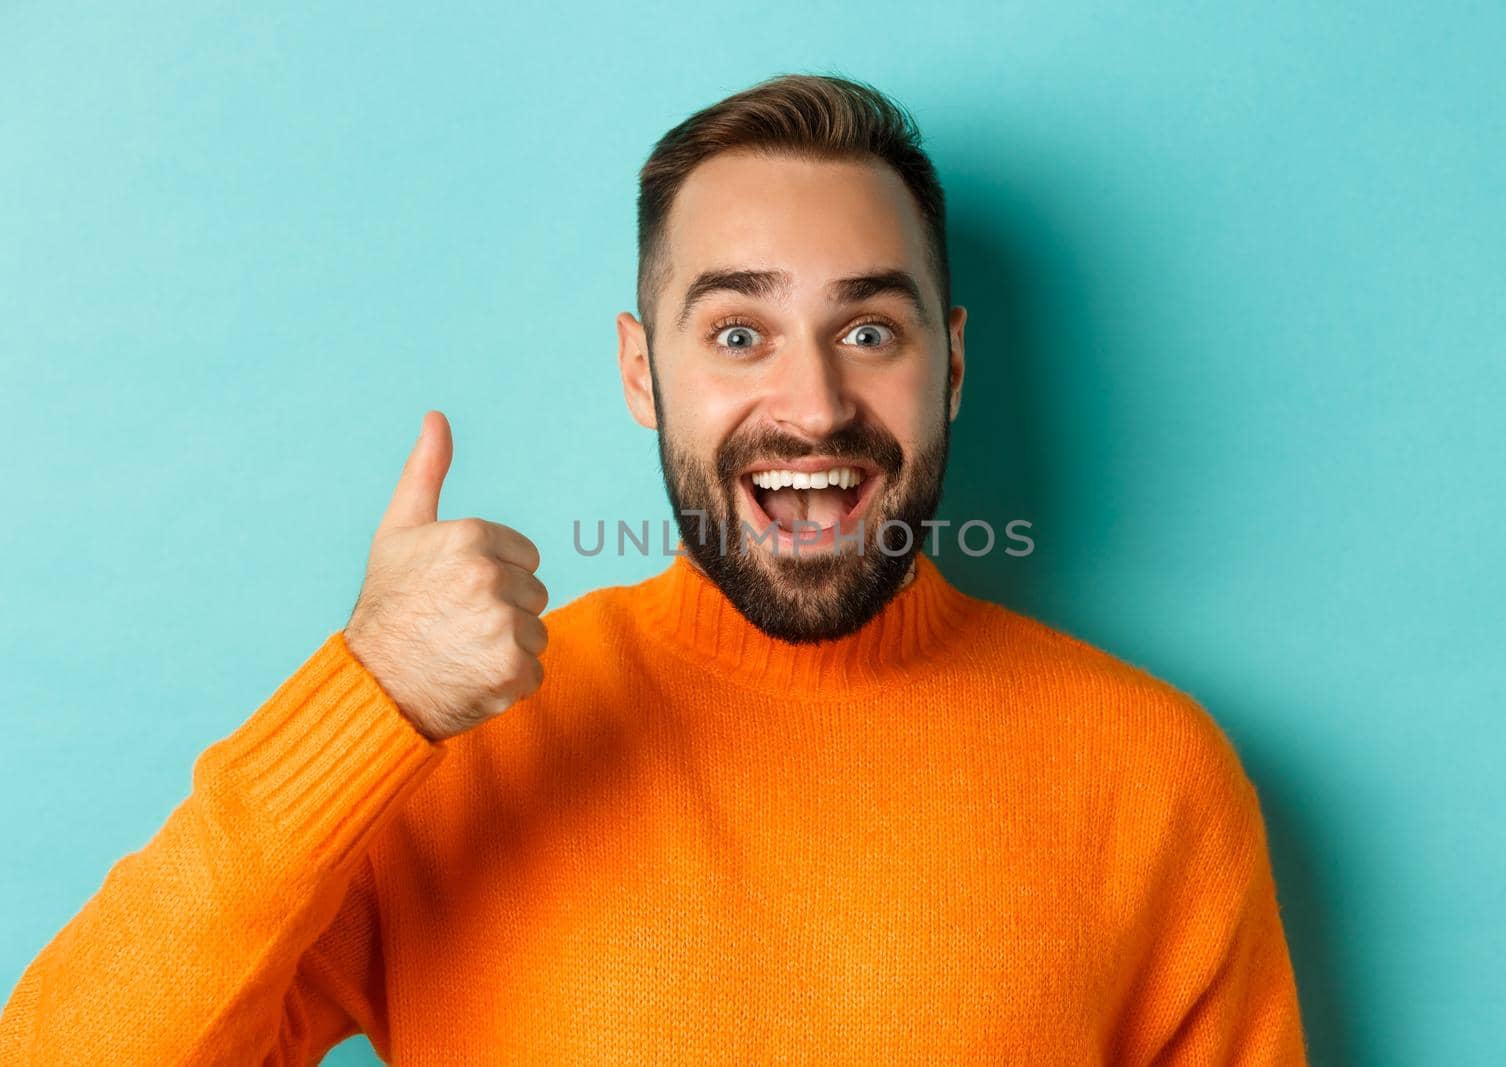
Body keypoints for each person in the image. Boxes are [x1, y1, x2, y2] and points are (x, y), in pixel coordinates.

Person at [0, 73, 1308, 1064]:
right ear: (643, 372)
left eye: (868, 327)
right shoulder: (455, 756)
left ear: (953, 364)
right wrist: (364, 700)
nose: (813, 402)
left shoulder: (1154, 781)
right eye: (739, 331)